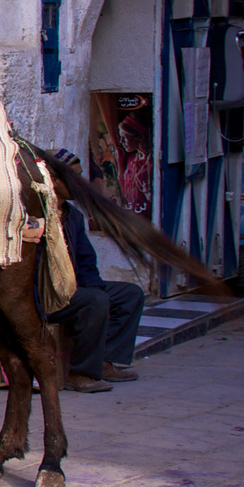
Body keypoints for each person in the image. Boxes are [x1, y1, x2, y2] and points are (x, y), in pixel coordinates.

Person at [46, 149, 146, 394]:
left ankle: (104, 361)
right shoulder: (35, 216)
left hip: (72, 288)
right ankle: (81, 373)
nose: (80, 184)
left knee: (129, 294)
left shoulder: (73, 217)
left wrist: (94, 288)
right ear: (53, 180)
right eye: (74, 177)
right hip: (44, 293)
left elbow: (87, 260)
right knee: (94, 301)